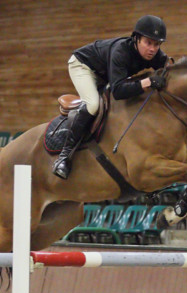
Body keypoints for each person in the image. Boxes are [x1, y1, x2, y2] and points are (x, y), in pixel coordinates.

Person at [52, 15, 170, 180]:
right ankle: (64, 157)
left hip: (106, 75)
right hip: (83, 66)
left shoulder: (155, 55)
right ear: (136, 39)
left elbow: (168, 70)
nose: (152, 49)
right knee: (93, 105)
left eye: (157, 44)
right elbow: (118, 91)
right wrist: (148, 81)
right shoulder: (121, 52)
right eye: (148, 43)